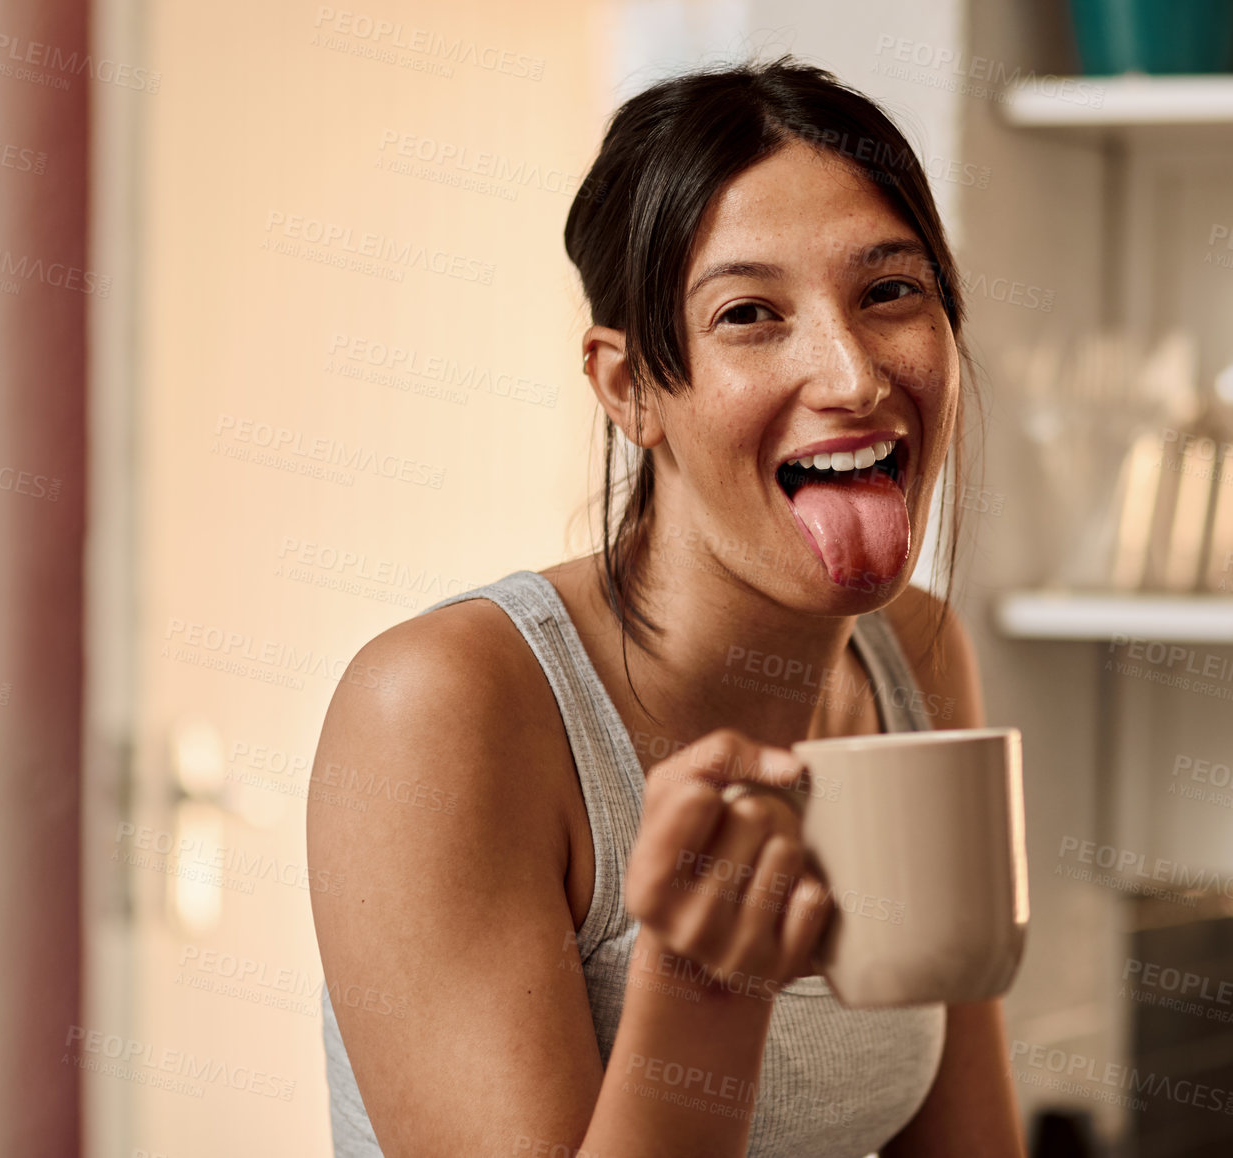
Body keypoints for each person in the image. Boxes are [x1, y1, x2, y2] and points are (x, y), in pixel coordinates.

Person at [308, 55, 1024, 1158]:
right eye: (749, 313)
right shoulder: (443, 710)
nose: (850, 375)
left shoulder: (917, 657)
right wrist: (700, 983)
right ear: (627, 385)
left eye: (891, 291)